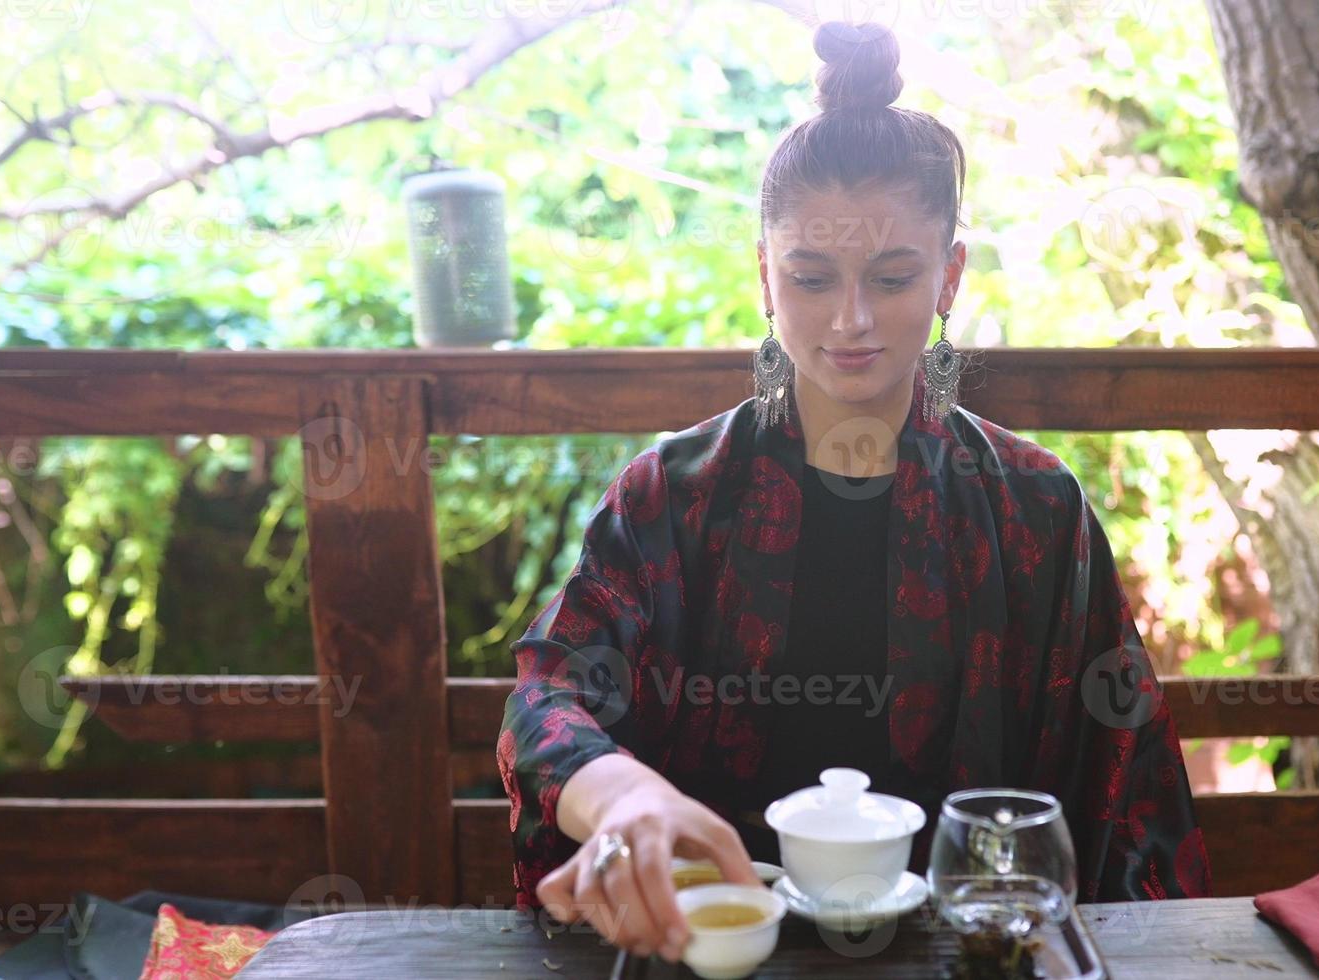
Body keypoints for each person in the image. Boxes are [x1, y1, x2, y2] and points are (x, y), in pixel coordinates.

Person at [496, 19, 1210, 965]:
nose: (851, 320)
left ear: (949, 276)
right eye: (811, 277)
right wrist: (627, 797)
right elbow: (546, 702)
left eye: (893, 276)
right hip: (719, 945)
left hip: (966, 952)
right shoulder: (671, 498)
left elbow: (1131, 788)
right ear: (764, 278)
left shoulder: (1036, 512)